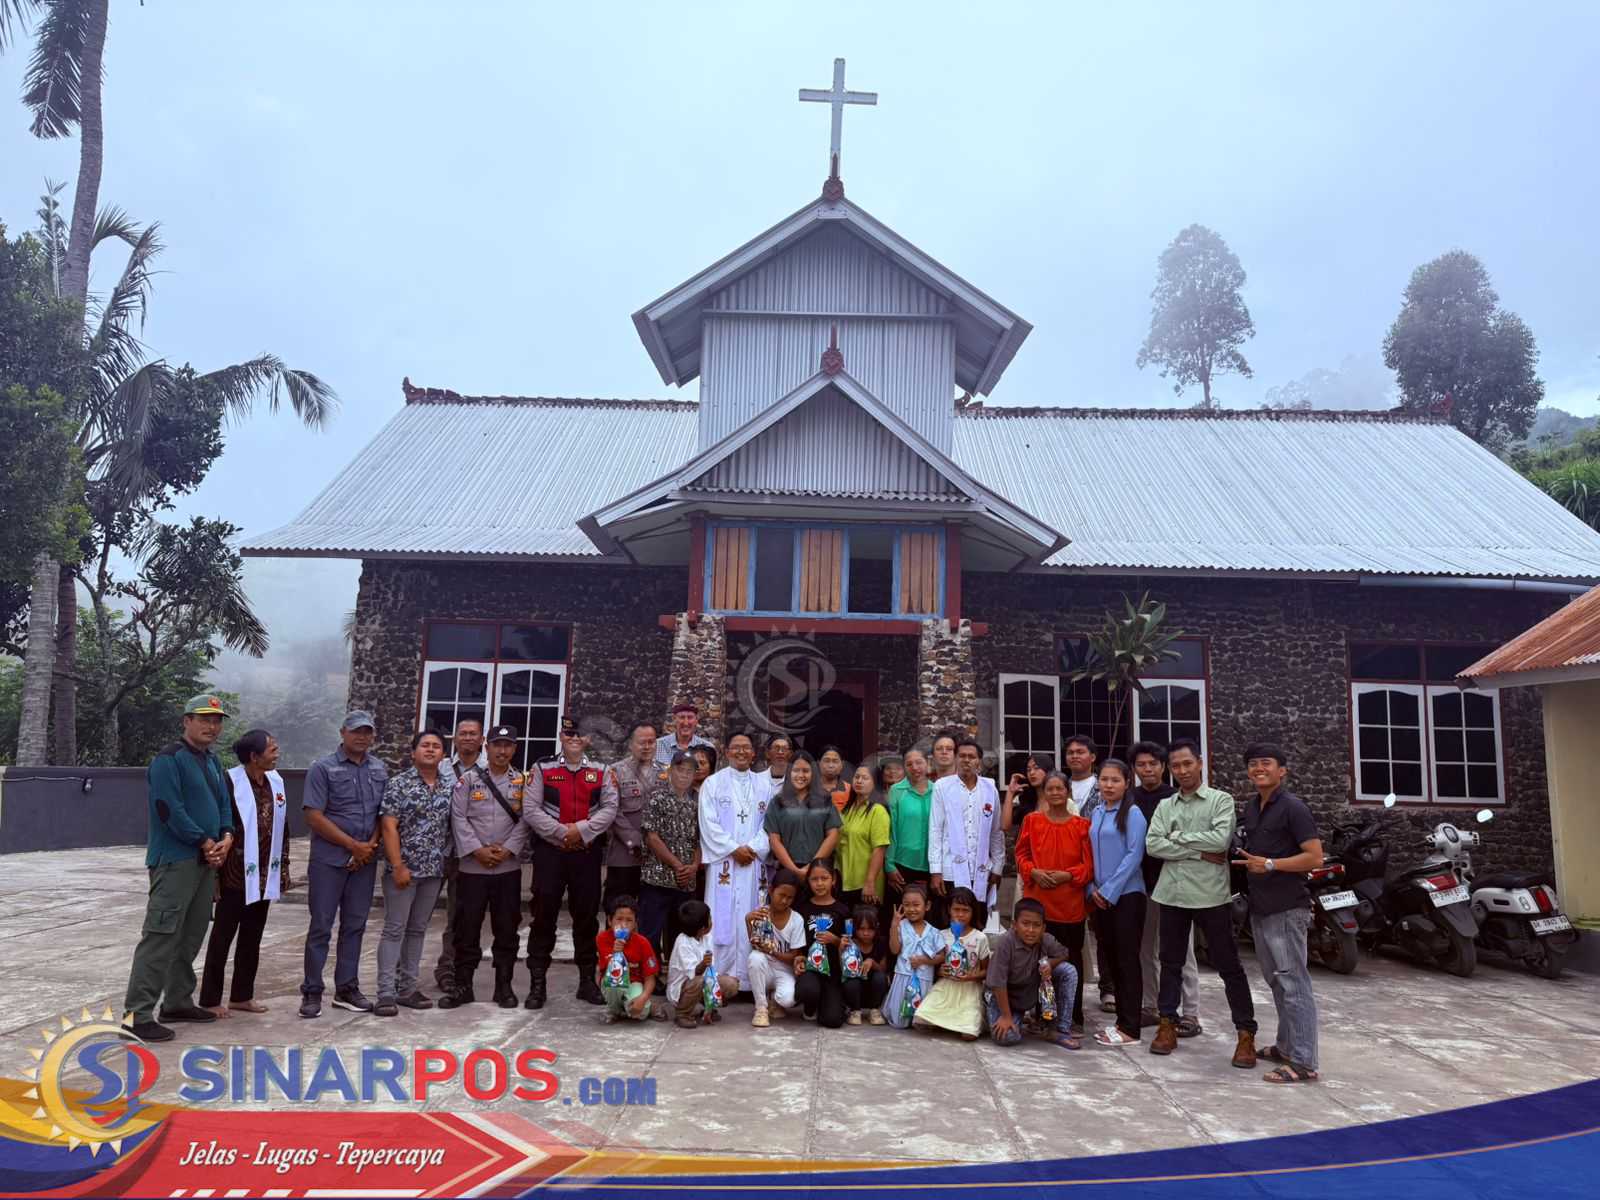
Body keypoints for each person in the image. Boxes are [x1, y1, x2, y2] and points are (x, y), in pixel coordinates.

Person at [123, 694, 237, 1041]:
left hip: (206, 863)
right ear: (186, 721)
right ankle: (136, 1016)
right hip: (175, 861)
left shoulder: (213, 762)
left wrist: (226, 837)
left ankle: (176, 1001)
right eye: (204, 719)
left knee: (190, 936)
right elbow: (167, 809)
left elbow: (223, 806)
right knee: (160, 937)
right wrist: (204, 841)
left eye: (217, 721)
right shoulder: (167, 760)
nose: (211, 726)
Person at [1145, 738, 1257, 1067]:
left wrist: (1176, 839)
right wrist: (1198, 849)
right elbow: (1153, 844)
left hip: (1211, 895)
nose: (1182, 771)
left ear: (1199, 763)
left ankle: (1245, 1033)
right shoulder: (1167, 805)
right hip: (1173, 894)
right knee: (1170, 963)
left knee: (1229, 966)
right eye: (1176, 766)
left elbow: (1221, 841)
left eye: (1187, 764)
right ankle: (1167, 1024)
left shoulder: (1220, 801)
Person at [1236, 742, 1323, 1084]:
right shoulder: (1254, 807)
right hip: (1262, 907)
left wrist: (1271, 864)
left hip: (1288, 908)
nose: (1259, 768)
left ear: (1282, 770)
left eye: (1266, 763)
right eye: (1253, 763)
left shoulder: (1293, 808)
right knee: (1277, 982)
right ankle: (1286, 1046)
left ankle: (1304, 1062)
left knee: (1294, 983)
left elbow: (1315, 857)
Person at [299, 711, 388, 1018]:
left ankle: (347, 989)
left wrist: (368, 847)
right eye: (355, 732)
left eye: (367, 732)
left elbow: (383, 814)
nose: (361, 737)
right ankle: (312, 992)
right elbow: (313, 815)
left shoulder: (379, 769)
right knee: (321, 926)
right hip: (329, 861)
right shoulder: (323, 768)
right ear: (342, 733)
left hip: (363, 862)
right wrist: (353, 846)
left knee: (355, 926)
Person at [522, 716, 614, 1009]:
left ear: (588, 740)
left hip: (586, 855)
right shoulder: (542, 767)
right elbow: (530, 808)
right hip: (551, 853)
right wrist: (563, 833)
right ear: (561, 736)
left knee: (586, 920)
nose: (574, 739)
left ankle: (587, 981)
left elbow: (611, 807)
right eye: (569, 733)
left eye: (580, 735)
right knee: (543, 918)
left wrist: (582, 831)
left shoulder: (601, 771)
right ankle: (538, 984)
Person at [441, 724, 531, 1009]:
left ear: (514, 749)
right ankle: (463, 986)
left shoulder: (522, 783)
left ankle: (503, 987)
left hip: (507, 868)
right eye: (496, 745)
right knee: (466, 929)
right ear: (487, 747)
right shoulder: (467, 781)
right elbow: (459, 817)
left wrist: (507, 850)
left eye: (507, 745)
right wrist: (478, 850)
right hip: (472, 868)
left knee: (506, 928)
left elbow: (527, 819)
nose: (502, 751)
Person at [200, 727, 288, 1019]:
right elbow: (218, 822)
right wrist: (215, 873)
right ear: (254, 756)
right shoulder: (230, 781)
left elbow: (282, 826)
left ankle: (242, 995)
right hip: (234, 873)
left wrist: (283, 866)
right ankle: (210, 998)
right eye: (272, 749)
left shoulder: (275, 782)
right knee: (223, 937)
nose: (277, 754)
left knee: (253, 936)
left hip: (264, 873)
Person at [374, 730, 454, 1016]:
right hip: (403, 869)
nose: (431, 750)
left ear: (443, 754)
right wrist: (397, 865)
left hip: (433, 870)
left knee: (418, 930)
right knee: (395, 929)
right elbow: (388, 826)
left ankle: (407, 988)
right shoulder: (399, 784)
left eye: (436, 746)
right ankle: (385, 992)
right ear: (413, 752)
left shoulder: (449, 786)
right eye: (425, 746)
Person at [1014, 771, 1093, 1028]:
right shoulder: (1032, 821)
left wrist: (1066, 876)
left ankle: (1073, 1014)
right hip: (1040, 904)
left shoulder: (1082, 826)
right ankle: (1044, 1014)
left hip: (1070, 905)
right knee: (1040, 962)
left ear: (1068, 792)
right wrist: (1033, 871)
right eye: (1051, 789)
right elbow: (1021, 855)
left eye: (1060, 789)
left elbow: (1088, 867)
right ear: (1044, 793)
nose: (1056, 793)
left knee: (1071, 960)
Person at [1131, 741, 1200, 1037]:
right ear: (1134, 769)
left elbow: (1186, 841)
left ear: (1163, 767)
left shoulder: (1175, 798)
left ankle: (1191, 1013)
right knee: (1146, 949)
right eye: (1141, 765)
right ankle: (1151, 1005)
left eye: (1153, 764)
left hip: (1175, 883)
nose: (1147, 769)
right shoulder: (1129, 798)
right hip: (1141, 884)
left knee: (1182, 950)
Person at [700, 732, 772, 996]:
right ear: (727, 751)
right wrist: (733, 848)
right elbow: (708, 823)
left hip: (753, 864)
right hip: (725, 866)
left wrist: (752, 848)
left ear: (754, 753)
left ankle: (753, 979)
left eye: (746, 748)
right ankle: (722, 978)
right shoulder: (713, 783)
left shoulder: (765, 786)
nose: (741, 752)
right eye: (736, 747)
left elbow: (770, 824)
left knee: (755, 910)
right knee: (722, 917)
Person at [1087, 759, 1149, 1047]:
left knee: (1127, 961)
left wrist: (1109, 891)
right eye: (1104, 780)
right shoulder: (1098, 812)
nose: (1108, 785)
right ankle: (1120, 1022)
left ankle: (1130, 1027)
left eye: (1115, 780)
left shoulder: (1133, 814)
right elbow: (1089, 853)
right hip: (1100, 897)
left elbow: (1134, 856)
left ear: (1127, 783)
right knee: (1111, 959)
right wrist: (1092, 888)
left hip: (1126, 897)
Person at [434, 717, 486, 998]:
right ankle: (399, 973)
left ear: (481, 740)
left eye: (473, 734)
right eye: (462, 733)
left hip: (468, 855)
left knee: (457, 917)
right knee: (415, 917)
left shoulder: (490, 770)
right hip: (436, 851)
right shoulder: (441, 768)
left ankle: (448, 970)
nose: (467, 738)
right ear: (454, 739)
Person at [928, 738, 1004, 928]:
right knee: (949, 923)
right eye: (962, 756)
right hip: (950, 869)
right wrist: (935, 870)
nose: (966, 760)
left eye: (972, 757)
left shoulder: (989, 788)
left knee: (977, 924)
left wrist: (998, 867)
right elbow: (935, 829)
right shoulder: (942, 786)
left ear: (979, 761)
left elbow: (996, 831)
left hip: (980, 869)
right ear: (955, 758)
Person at [984, 898, 1080, 1049]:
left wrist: (1050, 963)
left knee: (1068, 971)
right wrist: (1006, 1016)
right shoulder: (1006, 943)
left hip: (1027, 992)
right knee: (1007, 1037)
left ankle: (1060, 1029)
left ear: (1043, 928)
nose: (1031, 930)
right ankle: (1009, 1016)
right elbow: (998, 983)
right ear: (1015, 925)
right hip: (1003, 996)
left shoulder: (1046, 940)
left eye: (1036, 925)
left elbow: (1064, 954)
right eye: (1025, 924)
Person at [639, 750, 702, 959]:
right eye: (680, 769)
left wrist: (693, 866)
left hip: (685, 882)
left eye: (689, 771)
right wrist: (677, 865)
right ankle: (650, 975)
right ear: (671, 770)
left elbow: (700, 840)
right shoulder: (657, 798)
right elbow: (652, 837)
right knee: (651, 932)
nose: (684, 775)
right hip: (658, 879)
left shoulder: (697, 804)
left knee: (682, 934)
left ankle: (678, 976)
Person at [912, 887, 990, 1040]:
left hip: (969, 988)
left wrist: (971, 976)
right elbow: (932, 965)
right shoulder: (941, 935)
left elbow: (986, 970)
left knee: (969, 1034)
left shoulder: (980, 938)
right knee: (921, 1021)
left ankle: (962, 1021)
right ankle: (949, 1021)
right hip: (945, 986)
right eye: (956, 909)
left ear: (973, 912)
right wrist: (940, 971)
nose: (960, 914)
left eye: (965, 910)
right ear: (949, 910)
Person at [602, 723, 659, 912]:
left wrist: (656, 844)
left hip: (657, 856)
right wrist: (633, 840)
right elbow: (612, 810)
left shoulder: (666, 773)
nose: (647, 746)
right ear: (631, 745)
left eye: (651, 742)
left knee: (650, 911)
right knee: (618, 909)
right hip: (624, 855)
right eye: (642, 742)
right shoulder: (615, 772)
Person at [794, 858, 852, 1028]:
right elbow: (797, 943)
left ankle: (832, 1003)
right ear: (808, 881)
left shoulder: (843, 910)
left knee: (832, 1021)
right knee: (807, 990)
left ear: (833, 879)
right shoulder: (802, 909)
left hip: (833, 973)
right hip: (811, 969)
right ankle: (810, 1008)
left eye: (824, 878)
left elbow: (849, 945)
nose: (819, 884)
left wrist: (835, 940)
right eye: (814, 879)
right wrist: (798, 960)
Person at [763, 752, 842, 877]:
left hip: (819, 872)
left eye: (806, 771)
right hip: (786, 871)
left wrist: (811, 866)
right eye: (796, 770)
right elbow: (774, 840)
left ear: (813, 773)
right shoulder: (778, 802)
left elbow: (833, 835)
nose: (800, 775)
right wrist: (795, 870)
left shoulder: (825, 800)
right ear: (789, 772)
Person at [745, 869, 807, 1026]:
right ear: (771, 891)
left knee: (789, 1000)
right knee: (755, 957)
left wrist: (772, 951)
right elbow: (755, 944)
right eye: (782, 895)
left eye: (790, 897)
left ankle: (775, 1000)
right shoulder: (762, 913)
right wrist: (748, 922)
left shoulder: (796, 920)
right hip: (763, 966)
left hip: (784, 969)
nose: (785, 901)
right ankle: (761, 1009)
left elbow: (794, 956)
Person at [883, 883, 945, 1028]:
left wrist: (924, 960)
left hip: (924, 979)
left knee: (920, 1021)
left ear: (927, 906)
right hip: (903, 976)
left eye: (916, 905)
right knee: (899, 1022)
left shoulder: (934, 932)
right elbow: (894, 949)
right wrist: (894, 926)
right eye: (907, 905)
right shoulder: (901, 926)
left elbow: (942, 956)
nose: (911, 909)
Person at [885, 747, 936, 919]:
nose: (915, 767)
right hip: (901, 865)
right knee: (901, 917)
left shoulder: (938, 790)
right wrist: (889, 864)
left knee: (927, 919)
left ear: (928, 763)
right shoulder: (896, 791)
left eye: (919, 762)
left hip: (931, 865)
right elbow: (890, 829)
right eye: (909, 764)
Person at [595, 894, 663, 1023]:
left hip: (634, 983)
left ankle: (640, 1007)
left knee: (640, 1013)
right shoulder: (602, 939)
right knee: (615, 983)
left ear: (635, 923)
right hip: (611, 983)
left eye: (629, 920)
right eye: (619, 919)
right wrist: (616, 953)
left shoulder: (642, 942)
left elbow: (650, 978)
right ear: (610, 921)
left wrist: (643, 998)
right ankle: (614, 1010)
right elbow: (608, 973)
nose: (623, 924)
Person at [836, 766, 890, 919]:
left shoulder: (877, 810)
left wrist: (870, 882)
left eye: (865, 778)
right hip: (845, 879)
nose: (859, 781)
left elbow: (879, 848)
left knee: (865, 931)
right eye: (857, 777)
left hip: (865, 882)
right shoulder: (848, 808)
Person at [666, 899, 717, 1028]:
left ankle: (707, 1008)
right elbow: (695, 973)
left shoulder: (707, 937)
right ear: (702, 928)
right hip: (682, 989)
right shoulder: (682, 942)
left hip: (702, 983)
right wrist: (704, 963)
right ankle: (682, 1013)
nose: (712, 920)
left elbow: (711, 971)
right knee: (701, 981)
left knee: (730, 984)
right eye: (709, 918)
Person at [840, 907, 888, 1025]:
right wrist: (841, 949)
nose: (866, 933)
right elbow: (842, 970)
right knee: (851, 980)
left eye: (870, 929)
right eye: (861, 929)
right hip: (854, 992)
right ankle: (855, 1011)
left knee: (880, 977)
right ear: (855, 928)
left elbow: (883, 969)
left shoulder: (881, 942)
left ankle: (875, 1011)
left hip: (873, 992)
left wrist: (871, 961)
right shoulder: (850, 943)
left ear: (876, 928)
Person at [1001, 752, 1055, 832]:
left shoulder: (1059, 799)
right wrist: (1010, 792)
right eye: (1028, 770)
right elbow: (1005, 826)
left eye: (1036, 768)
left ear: (1048, 771)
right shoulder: (1024, 799)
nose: (1032, 773)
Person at [654, 702, 714, 766]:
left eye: (690, 717)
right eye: (682, 717)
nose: (686, 723)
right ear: (674, 719)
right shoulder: (657, 745)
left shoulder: (708, 747)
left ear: (696, 720)